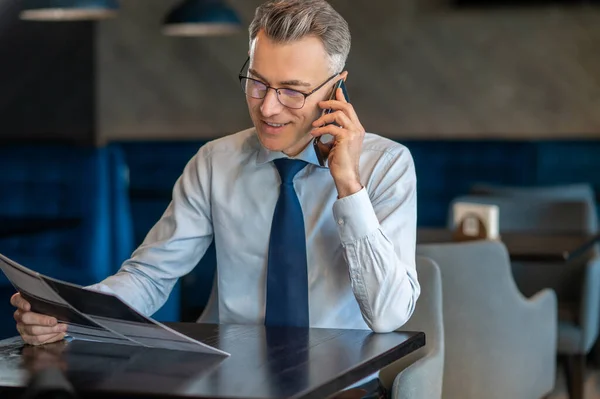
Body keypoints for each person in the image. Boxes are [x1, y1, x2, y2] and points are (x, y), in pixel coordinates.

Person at [11, 0, 420, 396]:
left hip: (342, 387)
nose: (268, 107)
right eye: (257, 83)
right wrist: (70, 316)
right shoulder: (214, 162)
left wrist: (349, 186)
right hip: (232, 381)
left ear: (337, 88)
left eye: (292, 91)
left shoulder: (387, 167)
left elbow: (387, 317)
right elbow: (150, 277)